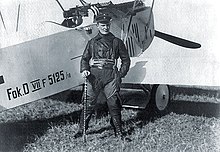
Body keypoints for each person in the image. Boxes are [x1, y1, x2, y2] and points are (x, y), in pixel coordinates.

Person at [74, 13, 131, 140]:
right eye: (103, 25)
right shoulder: (92, 42)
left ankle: (118, 131)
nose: (106, 27)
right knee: (88, 104)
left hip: (110, 77)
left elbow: (126, 60)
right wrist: (84, 70)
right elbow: (84, 59)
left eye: (107, 25)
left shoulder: (117, 42)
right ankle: (81, 130)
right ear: (98, 26)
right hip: (94, 77)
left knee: (114, 104)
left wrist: (120, 75)